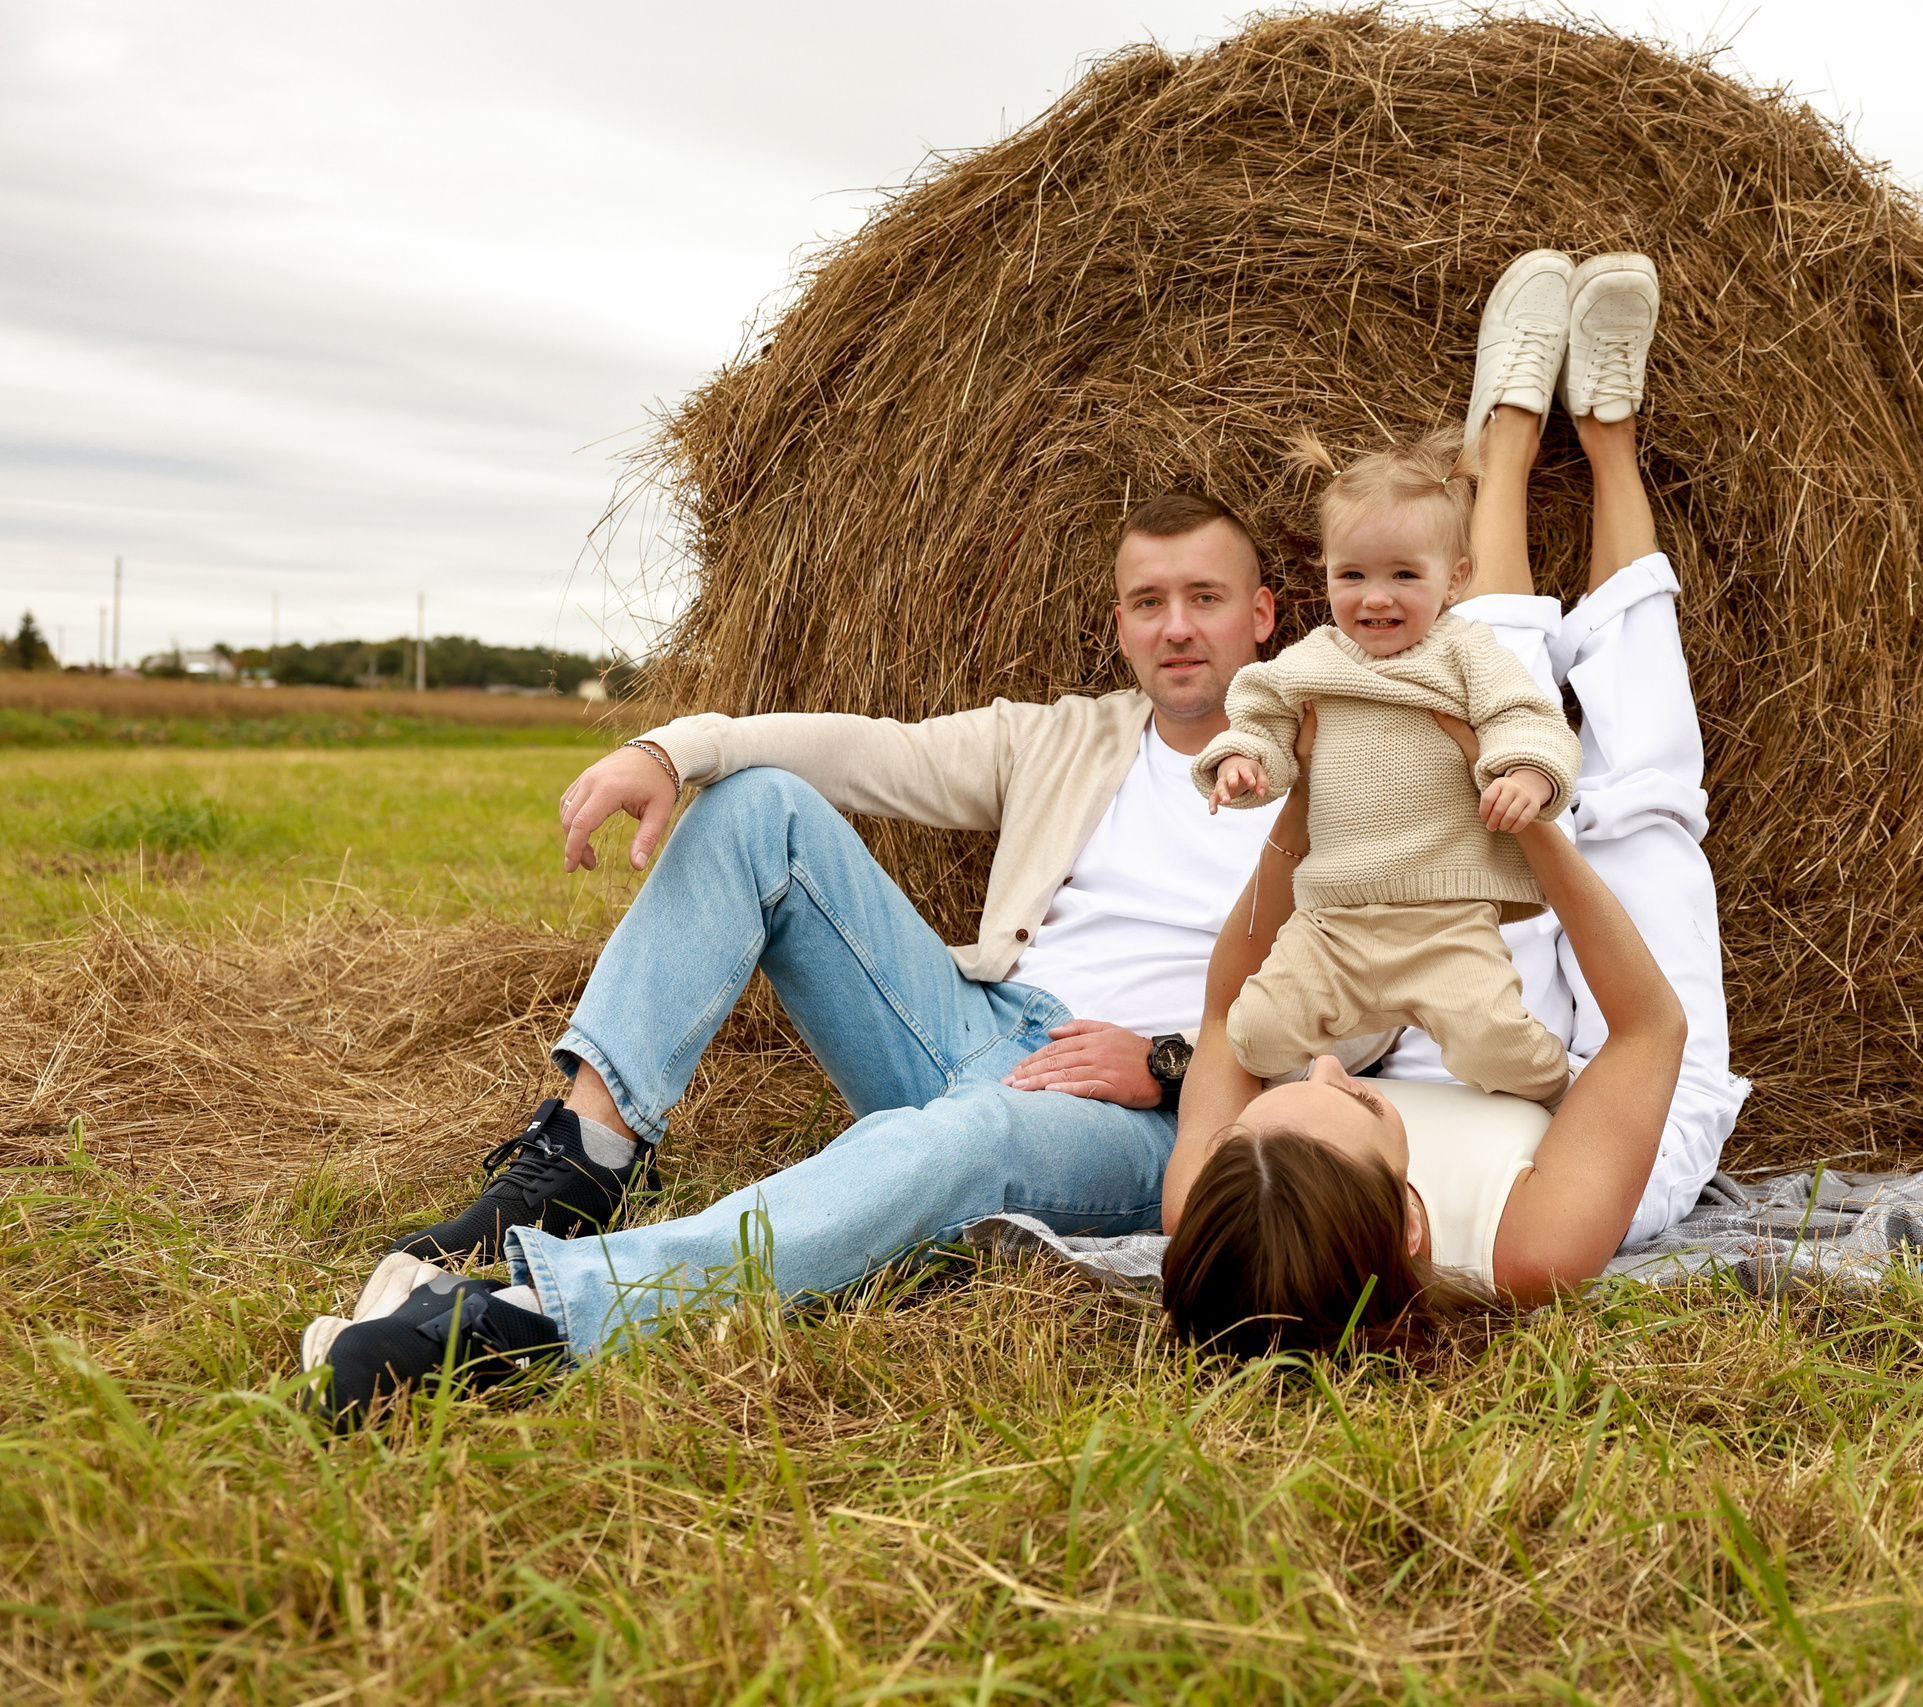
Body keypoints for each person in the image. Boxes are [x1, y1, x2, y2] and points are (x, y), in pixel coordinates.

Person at [303, 490, 1288, 1418]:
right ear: (1119, 625)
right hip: (980, 1027)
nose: (1175, 627)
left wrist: (1166, 1065)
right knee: (757, 802)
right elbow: (868, 752)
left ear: (1263, 615)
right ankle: (584, 1157)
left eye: (1205, 598)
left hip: (1157, 1109)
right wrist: (669, 750)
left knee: (954, 1142)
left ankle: (527, 1320)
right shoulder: (1069, 740)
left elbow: (1363, 1009)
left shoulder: (1333, 778)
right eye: (1148, 602)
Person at [1159, 247, 1748, 1349]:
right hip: (1600, 1105)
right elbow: (1647, 1028)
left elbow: (1222, 1016)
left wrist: (1313, 793)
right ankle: (1609, 443)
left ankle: (1506, 449)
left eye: (1268, 1106)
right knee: (1645, 807)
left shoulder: (1215, 1210)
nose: (1322, 1064)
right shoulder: (1530, 1253)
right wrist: (1543, 844)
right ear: (1415, 1223)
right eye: (1344, 1096)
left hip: (1450, 1029)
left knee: (1443, 733)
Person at [1194, 431, 1583, 1105]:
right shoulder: (1317, 657)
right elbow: (1262, 713)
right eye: (1353, 576)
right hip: (1332, 923)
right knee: (1251, 1032)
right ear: (1327, 576)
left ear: (1455, 578)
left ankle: (1571, 1080)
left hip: (1446, 921)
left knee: (1504, 1050)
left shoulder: (1466, 653)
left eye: (1404, 575)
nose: (1375, 598)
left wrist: (1528, 776)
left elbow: (1530, 718)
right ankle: (1344, 1063)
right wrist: (1241, 759)